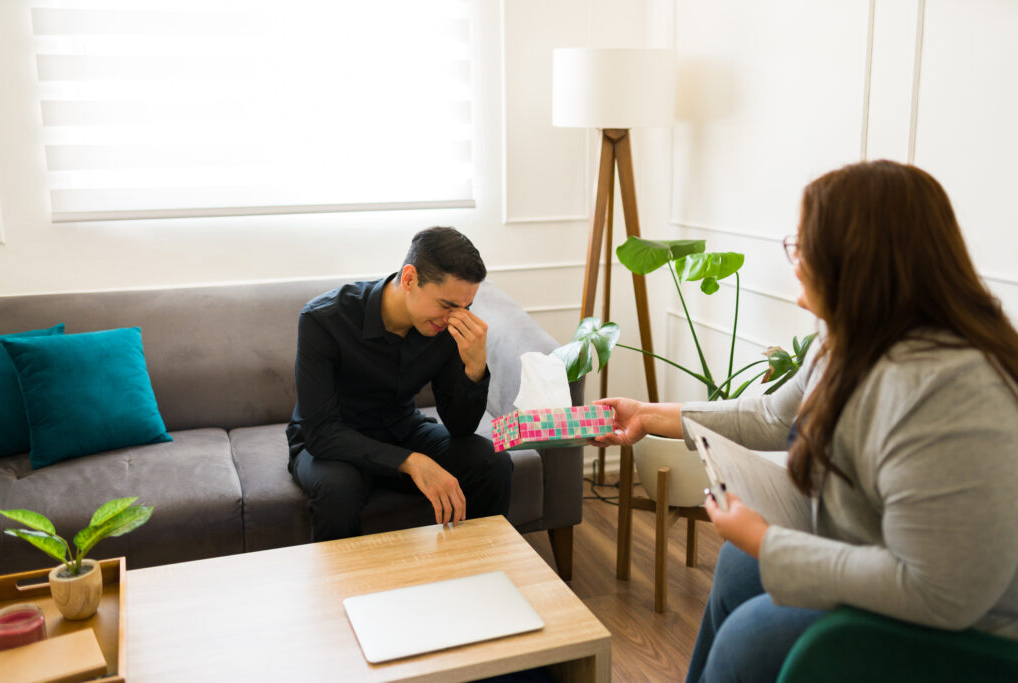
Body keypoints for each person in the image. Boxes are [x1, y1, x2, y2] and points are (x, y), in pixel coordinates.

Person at [593, 160, 1018, 682]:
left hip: (969, 634)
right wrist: (649, 414)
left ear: (856, 260)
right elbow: (772, 416)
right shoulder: (845, 339)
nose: (795, 258)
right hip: (895, 571)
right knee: (738, 567)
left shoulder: (952, 391)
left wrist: (770, 543)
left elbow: (939, 592)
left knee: (755, 634)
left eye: (805, 243)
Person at [287, 226, 513, 541]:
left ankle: (473, 572)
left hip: (402, 429)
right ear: (409, 279)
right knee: (338, 491)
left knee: (492, 462)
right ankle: (341, 590)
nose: (454, 318)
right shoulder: (324, 319)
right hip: (335, 442)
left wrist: (474, 366)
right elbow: (321, 432)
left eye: (466, 308)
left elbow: (461, 428)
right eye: (447, 305)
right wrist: (410, 462)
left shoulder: (445, 327)